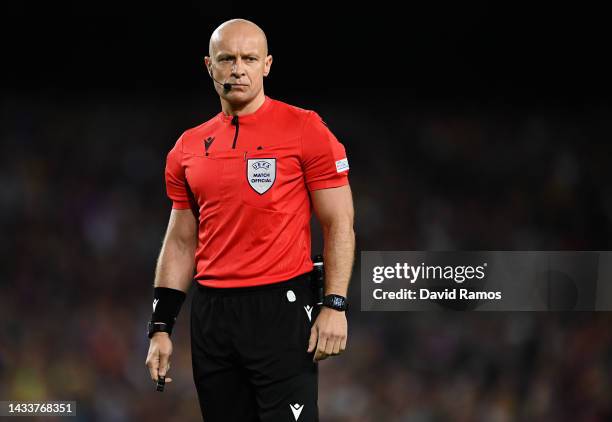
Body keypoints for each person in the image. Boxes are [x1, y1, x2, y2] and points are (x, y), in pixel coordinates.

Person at [144, 18, 355, 422]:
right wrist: (160, 327)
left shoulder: (305, 129)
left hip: (281, 309)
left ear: (267, 65)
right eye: (227, 58)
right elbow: (181, 242)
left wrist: (335, 303)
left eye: (249, 58)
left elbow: (339, 222)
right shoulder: (187, 147)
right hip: (212, 315)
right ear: (210, 66)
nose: (238, 68)